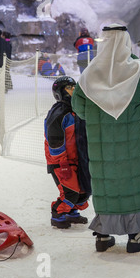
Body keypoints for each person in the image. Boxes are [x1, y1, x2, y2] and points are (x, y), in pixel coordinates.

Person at [71, 24, 140, 253]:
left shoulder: (88, 76)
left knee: (107, 186)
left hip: (102, 149)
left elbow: (78, 108)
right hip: (135, 145)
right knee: (133, 184)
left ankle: (102, 236)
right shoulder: (139, 71)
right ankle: (135, 236)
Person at [44, 76, 91, 229]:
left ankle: (71, 213)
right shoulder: (59, 112)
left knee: (83, 190)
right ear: (60, 92)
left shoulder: (77, 110)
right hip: (61, 162)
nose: (73, 90)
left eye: (74, 87)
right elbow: (54, 140)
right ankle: (57, 214)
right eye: (69, 88)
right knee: (70, 192)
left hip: (77, 159)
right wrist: (62, 162)